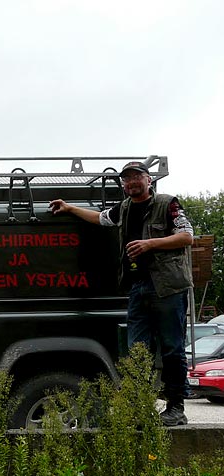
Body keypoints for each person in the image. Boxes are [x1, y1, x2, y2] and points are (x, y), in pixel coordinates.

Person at [49, 161, 194, 426]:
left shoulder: (167, 203)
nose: (131, 183)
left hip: (167, 288)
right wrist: (70, 208)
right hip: (137, 288)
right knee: (137, 351)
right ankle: (141, 409)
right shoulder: (125, 208)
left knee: (173, 349)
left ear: (148, 180)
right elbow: (100, 218)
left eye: (137, 177)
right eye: (126, 180)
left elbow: (187, 236)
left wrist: (150, 244)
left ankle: (176, 408)